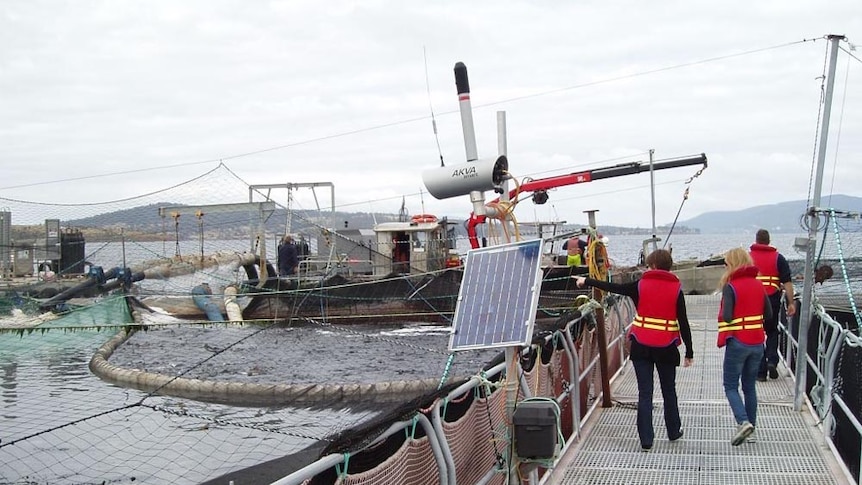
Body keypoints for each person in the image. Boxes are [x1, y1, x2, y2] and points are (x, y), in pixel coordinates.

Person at [575, 248, 693, 450]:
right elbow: (684, 322)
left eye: (648, 265)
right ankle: (673, 431)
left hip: (641, 346)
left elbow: (612, 287)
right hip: (666, 348)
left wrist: (587, 281)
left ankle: (646, 439)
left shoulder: (639, 285)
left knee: (644, 393)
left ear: (654, 266)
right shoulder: (676, 290)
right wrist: (689, 352)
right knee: (669, 391)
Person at [717, 247, 772, 446]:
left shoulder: (730, 286)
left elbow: (729, 316)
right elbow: (769, 314)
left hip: (738, 341)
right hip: (758, 342)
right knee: (749, 387)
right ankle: (752, 431)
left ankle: (743, 421)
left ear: (731, 264)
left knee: (731, 386)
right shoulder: (759, 285)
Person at [749, 229, 796, 381]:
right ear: (769, 241)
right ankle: (772, 360)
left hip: (753, 300)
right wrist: (791, 303)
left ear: (756, 240)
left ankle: (761, 372)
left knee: (757, 334)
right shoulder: (778, 258)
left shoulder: (747, 258)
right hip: (772, 299)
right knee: (772, 331)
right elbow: (787, 283)